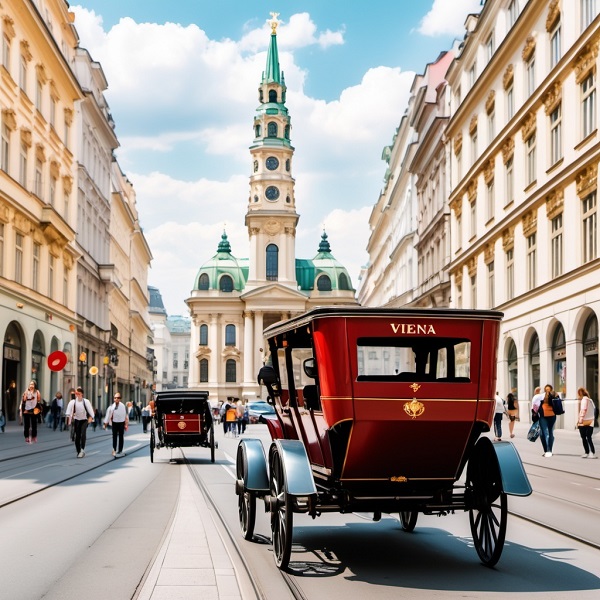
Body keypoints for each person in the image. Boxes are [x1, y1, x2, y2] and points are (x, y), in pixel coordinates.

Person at [65, 387, 94, 458]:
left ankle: (82, 449)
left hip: (84, 420)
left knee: (83, 434)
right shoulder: (72, 402)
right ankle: (79, 451)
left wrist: (91, 417)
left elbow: (91, 412)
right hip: (77, 420)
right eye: (76, 393)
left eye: (78, 393)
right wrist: (68, 419)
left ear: (82, 394)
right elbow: (68, 412)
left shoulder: (86, 401)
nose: (77, 395)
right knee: (77, 436)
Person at [532, 384, 558, 457]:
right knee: (550, 433)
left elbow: (535, 407)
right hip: (553, 416)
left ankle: (547, 451)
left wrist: (534, 416)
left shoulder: (541, 396)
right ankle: (549, 450)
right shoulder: (555, 395)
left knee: (544, 433)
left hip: (543, 416)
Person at [103, 393, 129, 457]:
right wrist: (105, 423)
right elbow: (108, 415)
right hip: (114, 423)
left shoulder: (123, 406)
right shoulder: (111, 407)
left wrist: (126, 424)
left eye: (118, 398)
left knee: (121, 437)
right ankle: (114, 449)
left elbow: (125, 415)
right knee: (114, 436)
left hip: (121, 423)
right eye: (115, 398)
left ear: (120, 399)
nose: (116, 399)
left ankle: (120, 450)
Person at [577, 387, 597, 459]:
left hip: (583, 421)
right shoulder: (590, 400)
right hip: (591, 420)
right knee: (589, 437)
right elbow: (595, 410)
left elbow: (583, 410)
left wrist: (580, 420)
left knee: (584, 437)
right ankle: (591, 452)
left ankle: (587, 452)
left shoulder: (584, 400)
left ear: (580, 393)